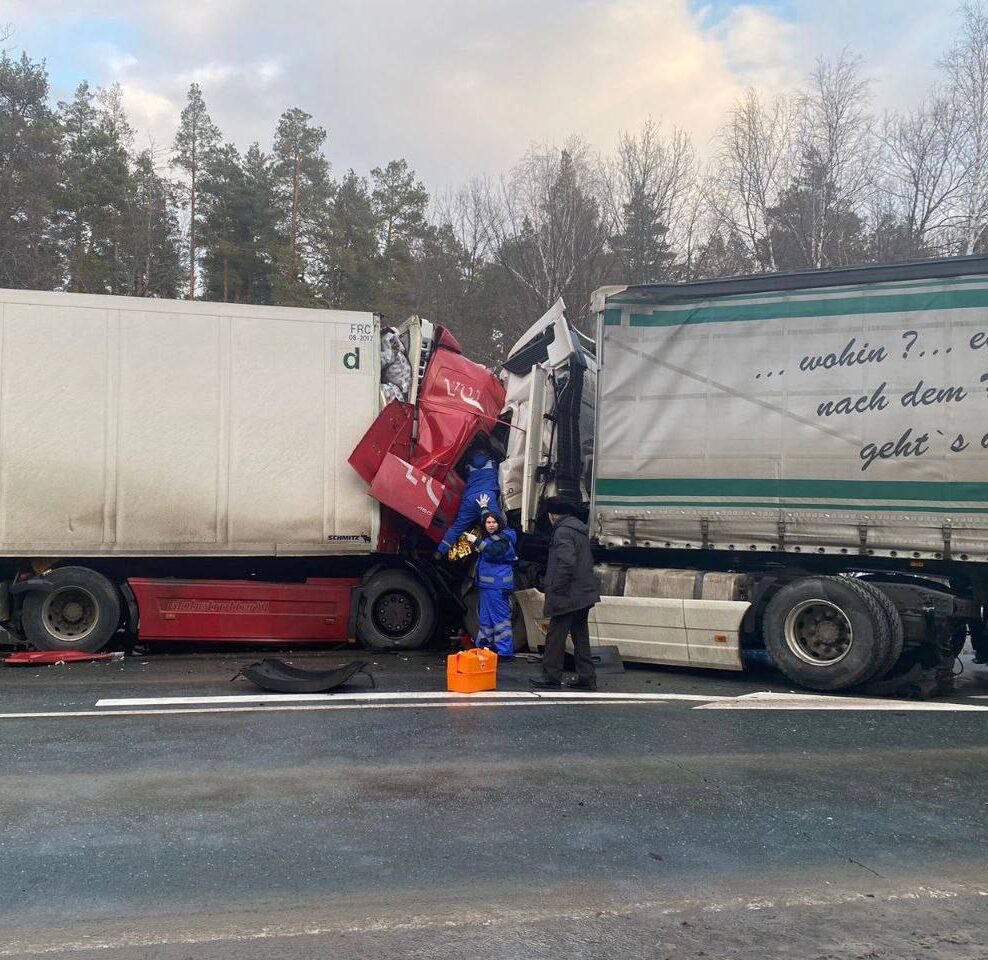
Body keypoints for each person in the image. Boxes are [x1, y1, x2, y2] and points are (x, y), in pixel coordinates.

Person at [530, 496, 600, 690]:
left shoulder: (561, 532)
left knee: (555, 636)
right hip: (583, 593)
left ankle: (551, 676)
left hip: (568, 594)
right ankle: (587, 677)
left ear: (553, 515)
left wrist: (555, 588)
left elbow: (566, 563)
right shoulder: (578, 529)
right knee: (580, 635)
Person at [466, 509, 517, 658]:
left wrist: (476, 541)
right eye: (488, 522)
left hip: (497, 586)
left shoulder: (503, 539)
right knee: (486, 619)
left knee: (500, 619)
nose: (491, 525)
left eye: (494, 522)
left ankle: (505, 652)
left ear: (500, 523)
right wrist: (484, 509)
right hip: (489, 586)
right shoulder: (493, 538)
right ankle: (484, 647)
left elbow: (494, 552)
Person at [435, 449, 501, 558]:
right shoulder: (492, 461)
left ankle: (439, 552)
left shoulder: (468, 466)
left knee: (457, 528)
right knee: (497, 526)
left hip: (470, 498)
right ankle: (495, 554)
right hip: (487, 496)